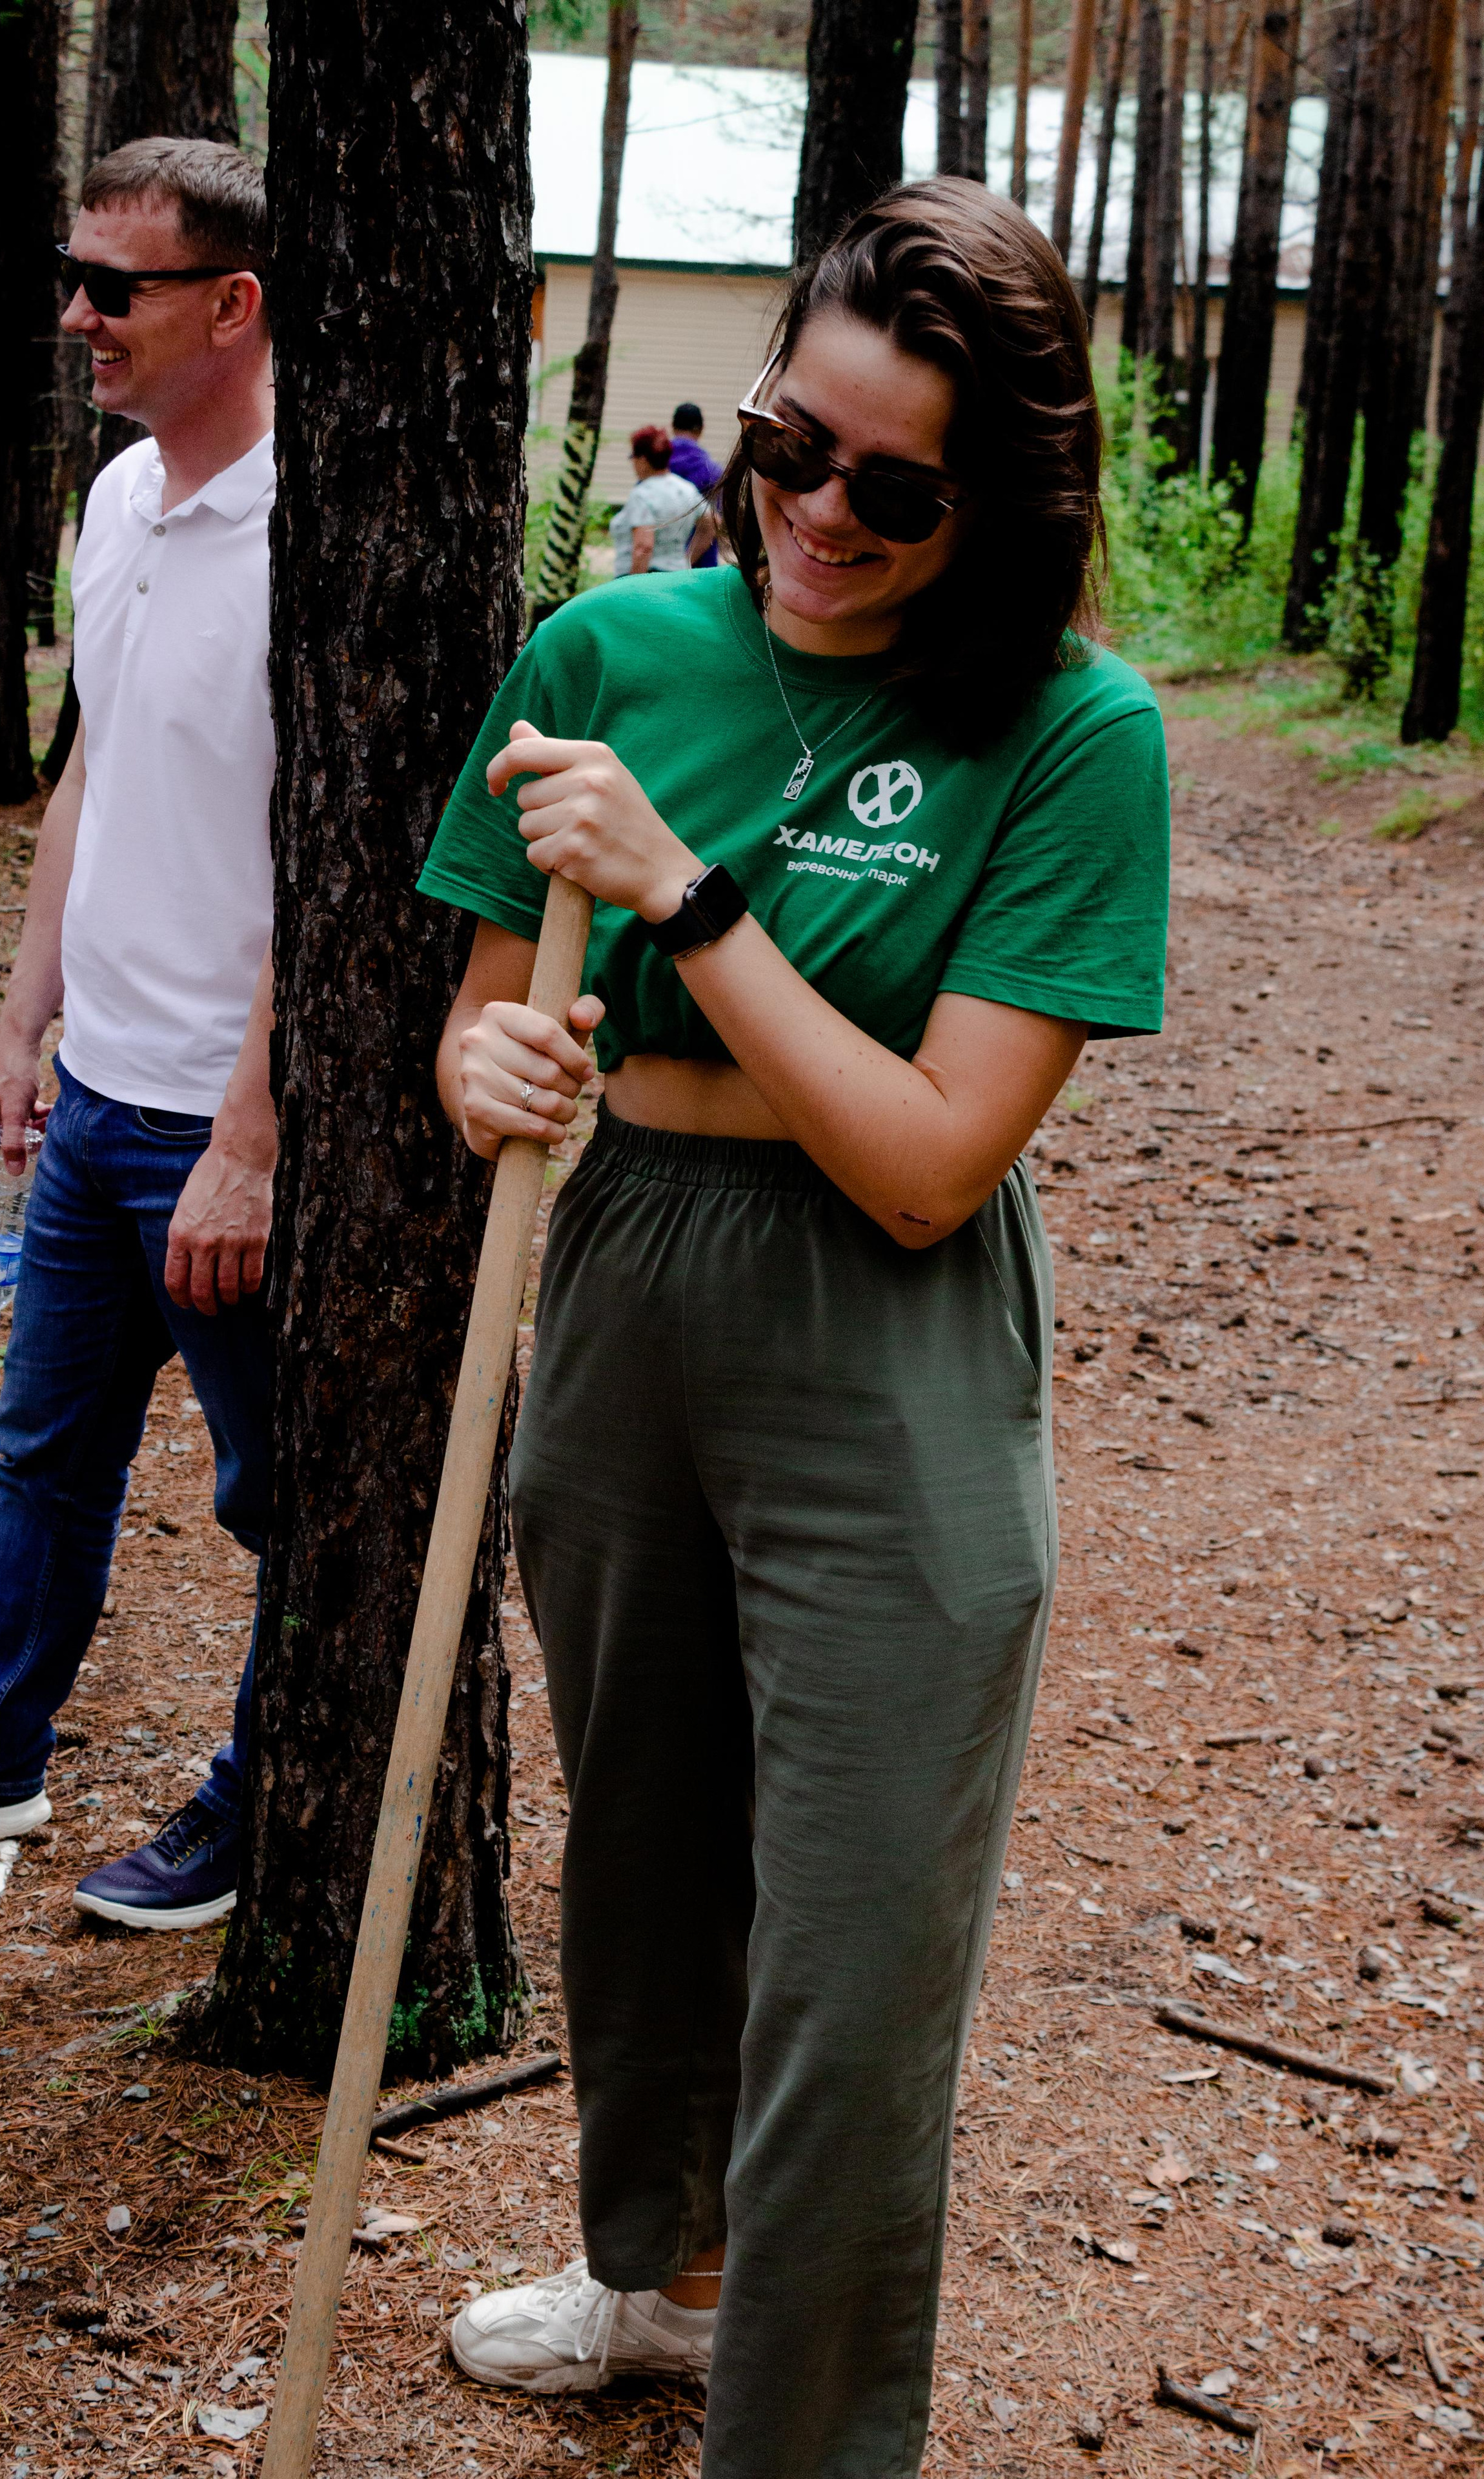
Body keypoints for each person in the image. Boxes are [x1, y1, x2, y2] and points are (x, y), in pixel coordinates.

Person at [419, 181, 1169, 2478]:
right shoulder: (607, 652)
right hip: (631, 1284)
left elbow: (936, 1154)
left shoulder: (1071, 731)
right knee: (641, 1875)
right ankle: (657, 2281)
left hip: (894, 1352)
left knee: (851, 1975)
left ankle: (807, 2440)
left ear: (998, 502)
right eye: (787, 446)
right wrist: (493, 1076)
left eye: (893, 487)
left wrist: (691, 896)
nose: (815, 514)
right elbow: (480, 1017)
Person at [0, 137, 278, 1934]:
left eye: (113, 286)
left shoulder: (319, 532)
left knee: (284, 1507)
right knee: (49, 1454)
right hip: (92, 1104)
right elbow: (93, 765)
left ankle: (264, 1804)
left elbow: (345, 867)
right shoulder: (123, 497)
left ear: (232, 304)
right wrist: (18, 1025)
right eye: (72, 276)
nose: (75, 315)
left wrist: (250, 1130)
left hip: (222, 1125)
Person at [607, 426, 711, 578]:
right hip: (676, 576)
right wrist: (687, 559)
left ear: (643, 460)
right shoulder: (687, 490)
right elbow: (712, 523)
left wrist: (633, 587)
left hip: (646, 579)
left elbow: (643, 547)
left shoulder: (642, 494)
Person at [668, 400, 722, 566]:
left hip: (661, 562)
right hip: (701, 565)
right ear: (700, 429)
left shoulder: (656, 466)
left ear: (673, 426)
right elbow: (718, 520)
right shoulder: (714, 472)